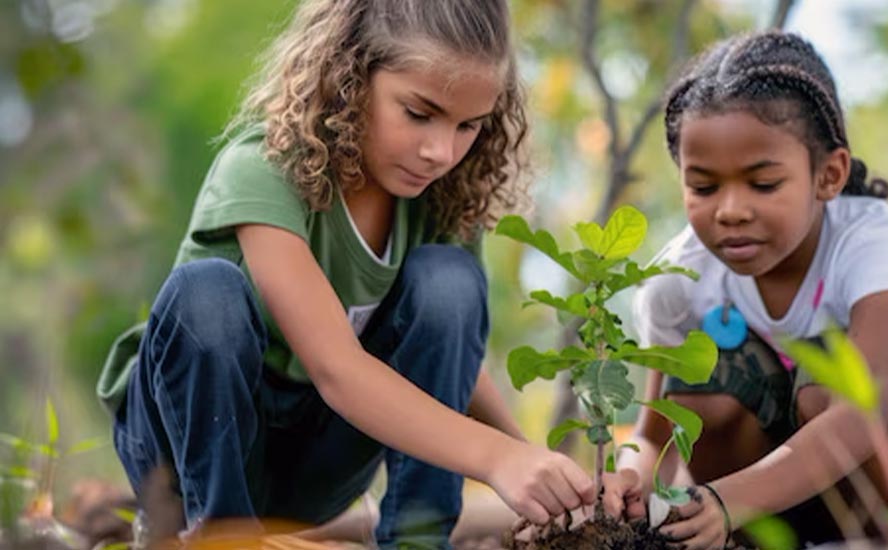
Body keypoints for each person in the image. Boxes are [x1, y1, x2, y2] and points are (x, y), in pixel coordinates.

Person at [94, 1, 595, 547]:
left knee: (449, 280)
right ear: (350, 77)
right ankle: (221, 537)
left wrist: (537, 465)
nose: (440, 152)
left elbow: (449, 365)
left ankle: (418, 538)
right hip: (190, 446)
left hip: (313, 463)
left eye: (468, 126)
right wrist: (498, 456)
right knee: (205, 294)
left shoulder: (441, 202)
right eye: (419, 113)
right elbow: (337, 369)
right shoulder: (263, 169)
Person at [608, 31, 888, 549]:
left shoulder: (876, 241)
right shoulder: (679, 280)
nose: (731, 209)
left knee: (828, 375)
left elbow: (862, 411)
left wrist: (725, 500)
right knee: (698, 374)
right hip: (761, 497)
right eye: (704, 186)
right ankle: (755, 539)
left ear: (828, 175)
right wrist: (626, 477)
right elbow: (654, 433)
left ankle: (880, 542)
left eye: (763, 184)